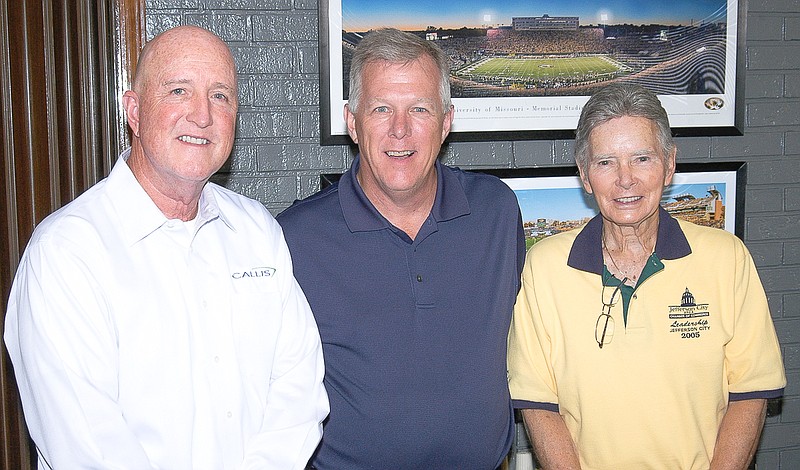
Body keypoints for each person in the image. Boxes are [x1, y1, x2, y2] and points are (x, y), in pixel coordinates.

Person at [4, 25, 328, 470]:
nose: (202, 115)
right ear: (133, 112)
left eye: (221, 96)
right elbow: (88, 444)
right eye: (179, 90)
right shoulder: (66, 253)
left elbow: (298, 388)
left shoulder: (257, 230)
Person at [277, 28, 524, 469]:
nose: (400, 129)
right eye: (381, 109)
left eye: (420, 109)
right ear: (352, 122)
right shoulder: (295, 238)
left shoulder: (496, 213)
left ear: (446, 122)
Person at [508, 83, 786, 469]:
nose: (625, 179)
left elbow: (750, 391)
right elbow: (540, 404)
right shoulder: (545, 266)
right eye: (605, 162)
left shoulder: (728, 258)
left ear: (669, 164)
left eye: (642, 159)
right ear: (585, 176)